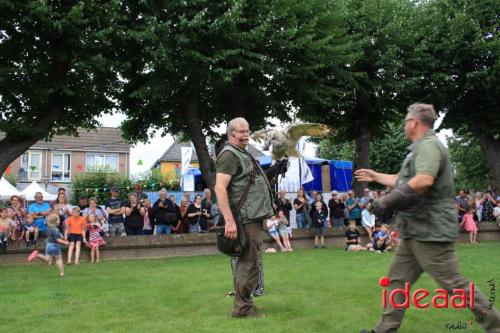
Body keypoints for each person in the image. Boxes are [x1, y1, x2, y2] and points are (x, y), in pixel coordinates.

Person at [356, 103, 500, 333]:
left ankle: (496, 326)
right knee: (397, 280)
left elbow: (423, 180)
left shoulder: (429, 146)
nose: (404, 125)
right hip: (416, 231)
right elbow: (403, 181)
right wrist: (376, 176)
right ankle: (383, 330)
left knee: (453, 284)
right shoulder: (419, 148)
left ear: (414, 122)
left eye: (405, 121)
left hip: (431, 231)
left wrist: (387, 201)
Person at [214, 117, 275, 318]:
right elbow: (219, 188)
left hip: (253, 216)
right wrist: (229, 222)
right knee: (247, 262)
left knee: (253, 262)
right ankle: (242, 309)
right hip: (245, 219)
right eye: (241, 132)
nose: (246, 134)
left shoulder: (242, 153)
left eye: (247, 130)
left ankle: (246, 303)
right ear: (231, 134)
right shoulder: (229, 155)